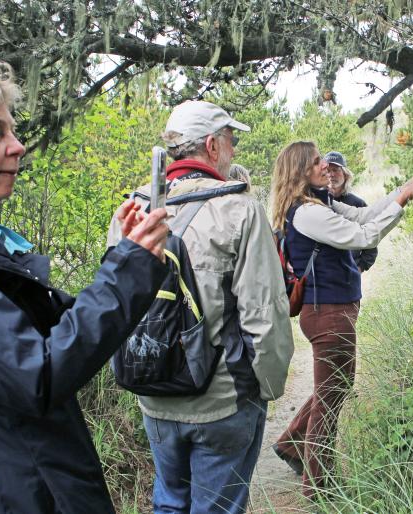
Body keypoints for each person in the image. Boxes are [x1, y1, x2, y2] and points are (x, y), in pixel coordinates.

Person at [0, 53, 169, 513]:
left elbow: (52, 335)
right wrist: (127, 270)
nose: (18, 145)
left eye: (12, 129)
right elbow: (37, 373)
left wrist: (121, 257)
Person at [107, 100, 294, 514]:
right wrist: (267, 386)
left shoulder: (131, 210)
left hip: (152, 393)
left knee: (169, 503)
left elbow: (114, 304)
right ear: (211, 146)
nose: (234, 150)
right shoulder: (240, 210)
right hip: (222, 399)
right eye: (231, 140)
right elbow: (265, 313)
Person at [269, 141, 413, 499]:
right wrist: (402, 203)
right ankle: (320, 488)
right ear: (300, 172)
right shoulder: (307, 213)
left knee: (336, 387)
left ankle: (291, 444)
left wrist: (402, 191)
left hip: (333, 308)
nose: (325, 165)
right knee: (331, 397)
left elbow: (363, 215)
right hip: (326, 312)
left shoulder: (319, 203)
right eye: (316, 162)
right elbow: (363, 235)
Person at [323, 150, 378, 273]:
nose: (331, 174)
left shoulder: (358, 204)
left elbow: (372, 240)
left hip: (349, 274)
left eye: (336, 170)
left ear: (345, 174)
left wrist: (359, 268)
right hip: (324, 275)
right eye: (327, 170)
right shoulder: (318, 203)